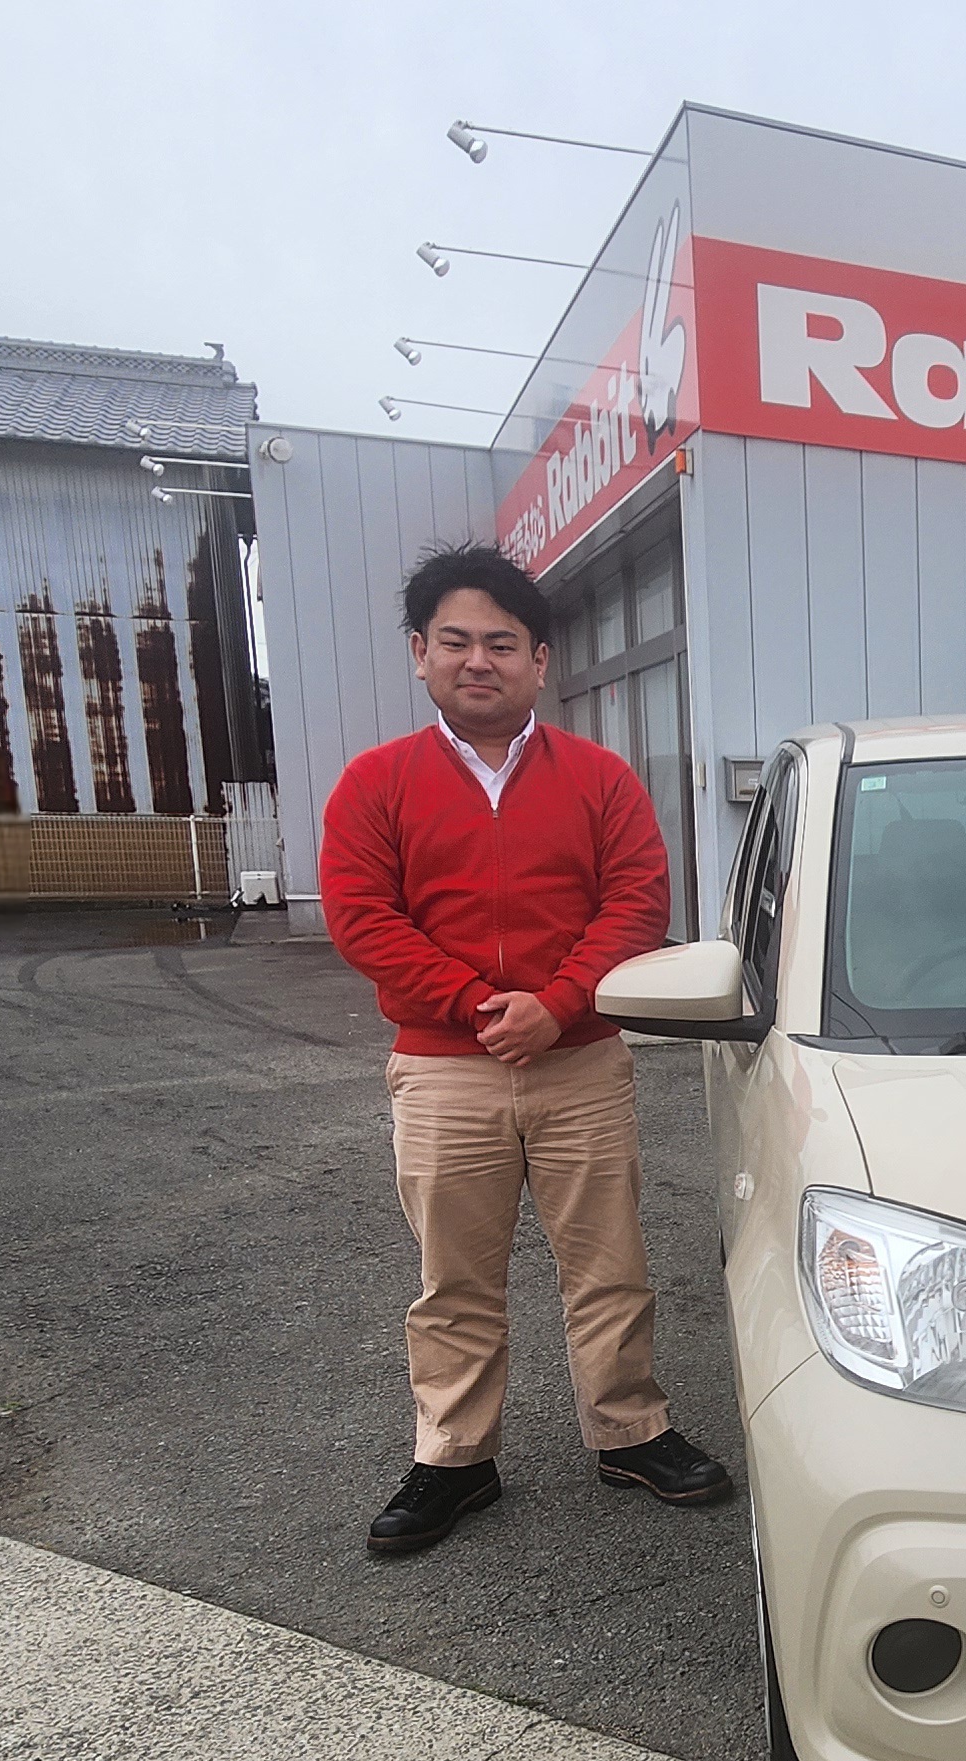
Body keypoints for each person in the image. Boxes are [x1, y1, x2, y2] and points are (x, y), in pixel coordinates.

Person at [320, 543, 735, 1554]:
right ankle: (455, 1456)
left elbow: (635, 900)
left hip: (579, 1062)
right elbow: (362, 916)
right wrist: (474, 1004)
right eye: (456, 640)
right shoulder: (376, 783)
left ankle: (630, 1430)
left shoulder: (599, 779)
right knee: (454, 1278)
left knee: (609, 1263)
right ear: (420, 653)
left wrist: (556, 1004)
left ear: (539, 661)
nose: (480, 660)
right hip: (443, 1068)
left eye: (502, 643)